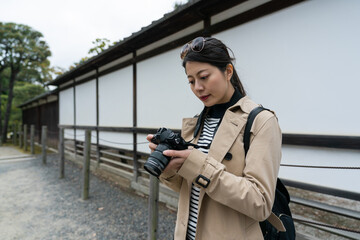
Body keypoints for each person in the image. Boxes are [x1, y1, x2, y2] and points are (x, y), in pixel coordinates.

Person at [147, 37, 282, 240]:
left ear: (228, 71)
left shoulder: (261, 121)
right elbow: (189, 190)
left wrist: (198, 165)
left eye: (204, 77)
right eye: (191, 81)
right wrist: (170, 170)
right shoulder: (196, 124)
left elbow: (260, 203)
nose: (197, 87)